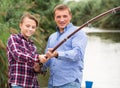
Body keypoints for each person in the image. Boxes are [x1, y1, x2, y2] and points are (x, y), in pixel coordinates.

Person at [43, 4, 88, 88]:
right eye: (58, 17)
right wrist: (40, 66)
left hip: (69, 83)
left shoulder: (78, 33)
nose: (62, 20)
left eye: (65, 16)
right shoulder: (52, 37)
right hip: (52, 83)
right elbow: (47, 59)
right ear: (54, 18)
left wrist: (57, 54)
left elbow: (77, 54)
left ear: (70, 16)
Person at [7, 13, 48, 88]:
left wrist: (38, 68)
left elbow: (35, 68)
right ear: (20, 25)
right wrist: (38, 57)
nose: (30, 29)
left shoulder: (33, 46)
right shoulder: (13, 38)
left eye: (33, 27)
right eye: (27, 26)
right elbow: (17, 55)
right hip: (18, 84)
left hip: (33, 85)